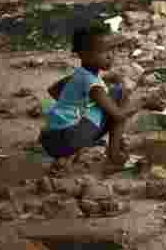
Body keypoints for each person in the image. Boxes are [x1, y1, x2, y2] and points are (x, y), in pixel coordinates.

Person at [41, 22, 140, 173]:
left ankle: (71, 151)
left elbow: (53, 90)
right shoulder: (93, 85)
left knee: (112, 96)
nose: (110, 55)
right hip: (67, 140)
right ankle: (113, 157)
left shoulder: (78, 75)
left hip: (50, 139)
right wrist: (145, 102)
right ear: (84, 54)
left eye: (112, 49)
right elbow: (119, 116)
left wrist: (74, 108)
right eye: (103, 51)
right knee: (120, 99)